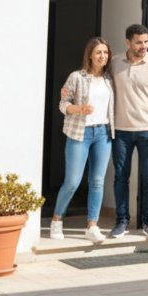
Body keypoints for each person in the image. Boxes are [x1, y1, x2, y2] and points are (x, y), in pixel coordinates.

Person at [49, 37, 115, 244]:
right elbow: (63, 103)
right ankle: (57, 220)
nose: (102, 56)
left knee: (97, 181)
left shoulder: (109, 80)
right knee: (72, 181)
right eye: (98, 53)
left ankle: (92, 226)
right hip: (80, 133)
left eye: (105, 53)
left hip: (103, 134)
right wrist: (78, 109)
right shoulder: (76, 77)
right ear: (90, 55)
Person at [109, 23, 148, 238]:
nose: (143, 46)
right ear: (128, 42)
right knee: (120, 178)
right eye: (139, 42)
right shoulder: (115, 63)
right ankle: (122, 221)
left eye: (146, 42)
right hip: (121, 132)